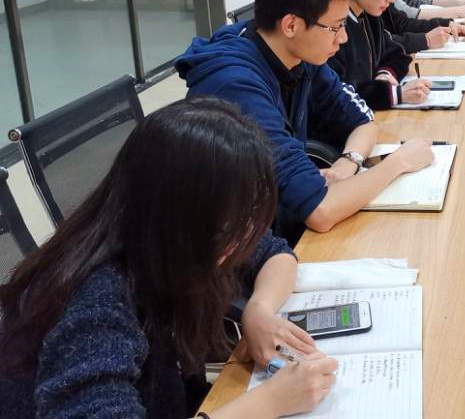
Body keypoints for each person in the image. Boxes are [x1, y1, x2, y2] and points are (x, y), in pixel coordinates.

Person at [0, 98, 340, 418]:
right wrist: (270, 401)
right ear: (178, 214)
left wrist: (259, 310)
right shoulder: (98, 301)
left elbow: (274, 253)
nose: (245, 234)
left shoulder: (161, 233)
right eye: (233, 225)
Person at [176, 0, 433, 237]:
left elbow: (363, 121)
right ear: (291, 25)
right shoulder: (235, 89)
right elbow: (320, 212)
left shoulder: (300, 55)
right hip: (241, 246)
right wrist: (398, 162)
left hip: (274, 226)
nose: (343, 38)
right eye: (335, 26)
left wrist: (347, 163)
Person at [328, 0, 432, 109]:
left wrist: (385, 74)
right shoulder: (333, 28)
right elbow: (336, 96)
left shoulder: (370, 14)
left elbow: (397, 54)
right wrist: (395, 94)